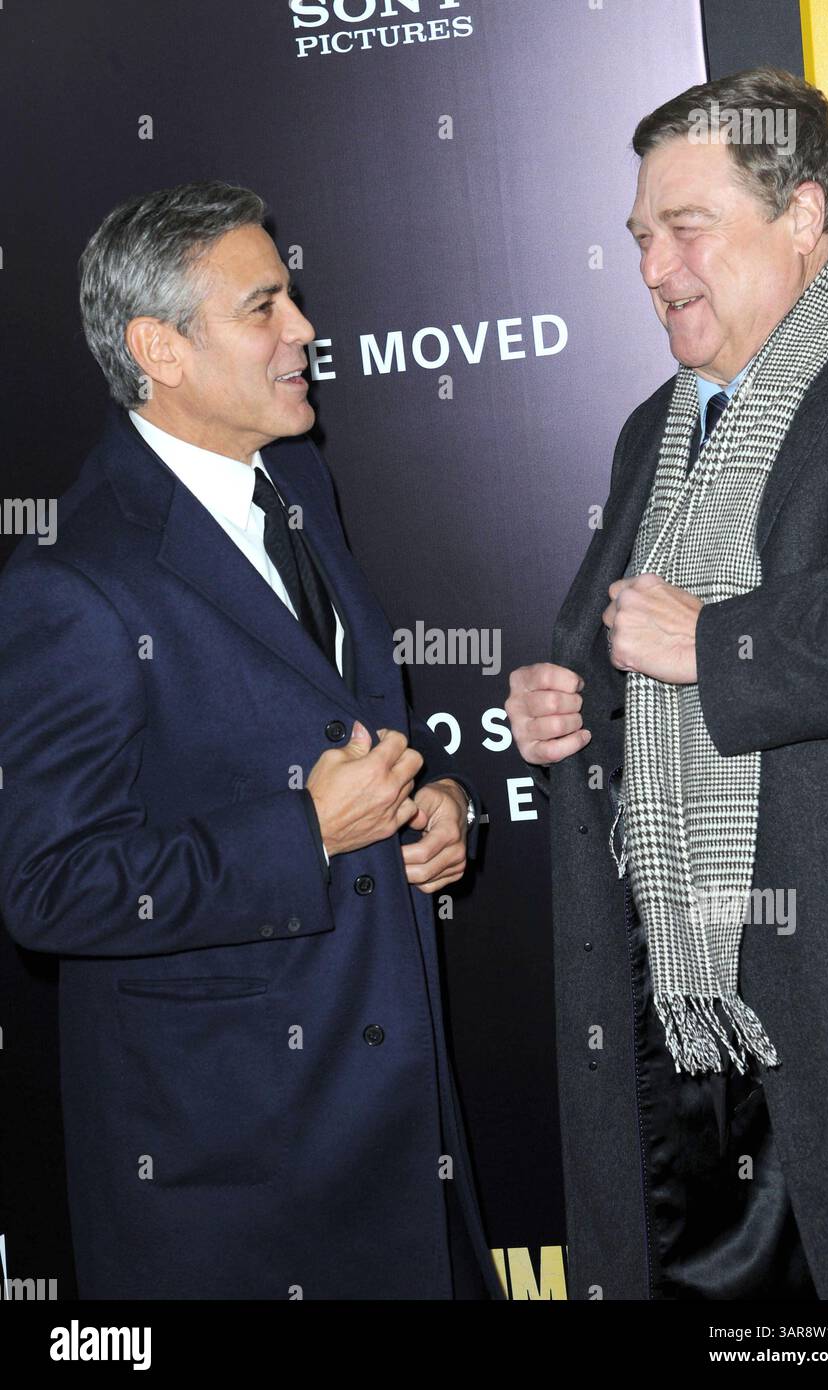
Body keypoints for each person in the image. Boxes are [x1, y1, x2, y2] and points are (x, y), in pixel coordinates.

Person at [0, 180, 502, 1301]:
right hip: (237, 1191)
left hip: (398, 1124)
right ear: (159, 350)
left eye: (293, 300)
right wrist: (306, 831)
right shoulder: (73, 582)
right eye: (263, 307)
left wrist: (434, 805)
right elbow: (49, 887)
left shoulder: (299, 481)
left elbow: (338, 726)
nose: (305, 330)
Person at [506, 68, 828, 1301]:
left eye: (686, 228)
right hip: (679, 1033)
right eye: (639, 236)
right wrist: (567, 708)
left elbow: (711, 640)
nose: (653, 266)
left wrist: (722, 645)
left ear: (803, 215)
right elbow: (626, 652)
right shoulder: (655, 428)